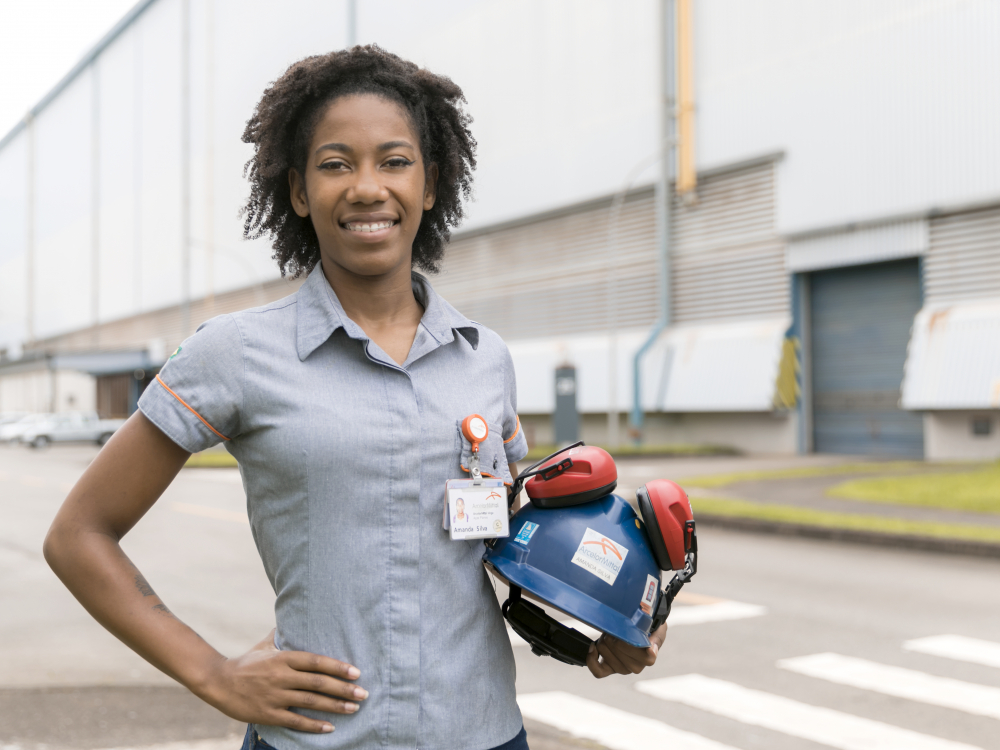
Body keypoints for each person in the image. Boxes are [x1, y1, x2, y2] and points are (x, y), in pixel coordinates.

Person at [43, 45, 666, 750]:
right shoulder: (237, 353)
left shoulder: (483, 358)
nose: (368, 187)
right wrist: (213, 674)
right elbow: (77, 536)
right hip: (315, 740)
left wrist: (610, 619)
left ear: (431, 184)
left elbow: (510, 540)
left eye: (395, 161)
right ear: (300, 191)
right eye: (336, 164)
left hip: (484, 734)